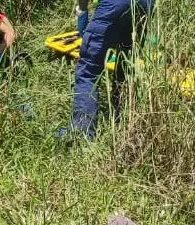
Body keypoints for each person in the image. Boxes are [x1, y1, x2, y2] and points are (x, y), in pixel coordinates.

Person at [63, 0, 154, 139]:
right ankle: (123, 121)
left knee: (89, 70)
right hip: (145, 4)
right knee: (126, 64)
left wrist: (81, 10)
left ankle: (81, 134)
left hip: (115, 4)